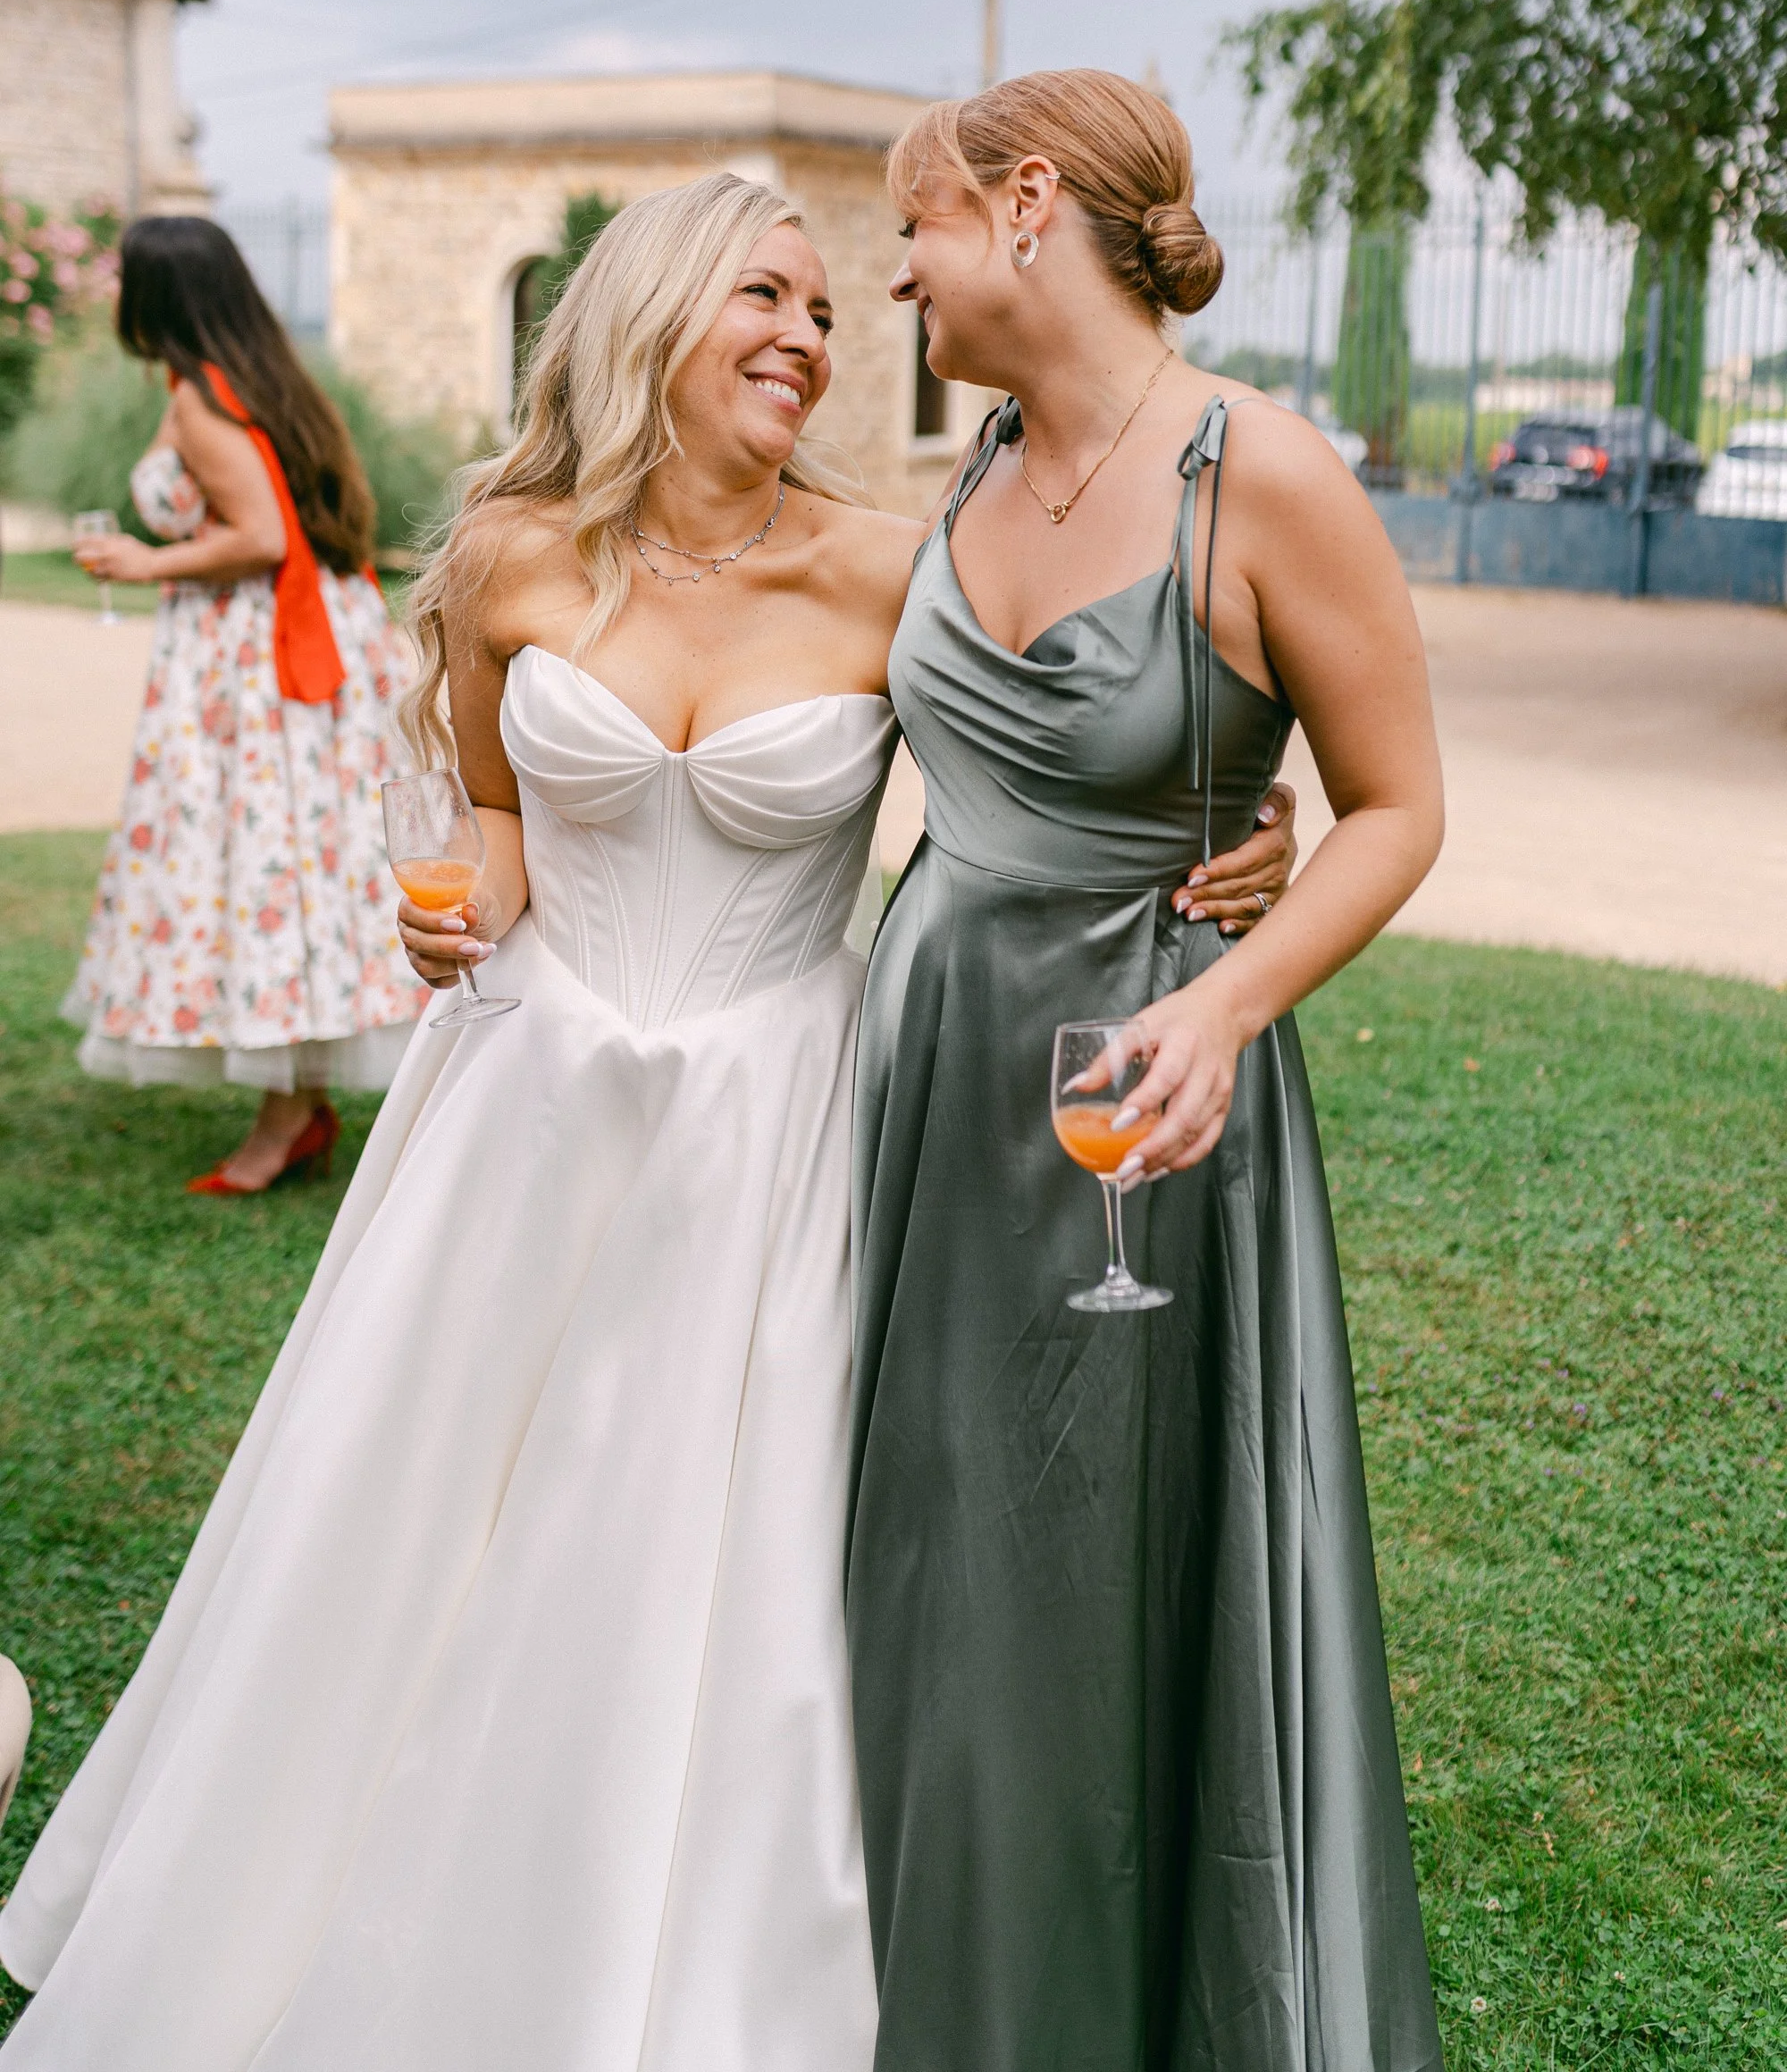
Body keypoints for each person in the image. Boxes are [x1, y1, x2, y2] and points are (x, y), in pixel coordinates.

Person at [1, 167, 1296, 2068]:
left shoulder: (888, 568)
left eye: (826, 309)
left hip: (773, 1129)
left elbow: (1057, 767)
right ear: (651, 321)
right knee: (418, 1532)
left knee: (716, 1560)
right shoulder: (514, 558)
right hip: (518, 1112)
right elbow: (497, 823)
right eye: (762, 297)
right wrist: (458, 893)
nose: (806, 336)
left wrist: (1235, 821)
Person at [846, 71, 1447, 2071]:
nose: (898, 274)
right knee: (925, 1549)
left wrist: (1232, 997)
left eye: (915, 226)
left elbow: (1391, 807)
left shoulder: (1257, 474)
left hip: (1149, 1099)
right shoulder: (964, 467)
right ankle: (922, 1981)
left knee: (1110, 1559)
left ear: (1026, 208)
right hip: (931, 1083)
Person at [64, 216, 425, 1192]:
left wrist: (148, 560)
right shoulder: (262, 379)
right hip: (300, 642)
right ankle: (295, 1105)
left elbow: (262, 533)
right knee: (303, 865)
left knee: (266, 857)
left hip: (254, 657)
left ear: (156, 298)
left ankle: (286, 1116)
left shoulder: (197, 397)